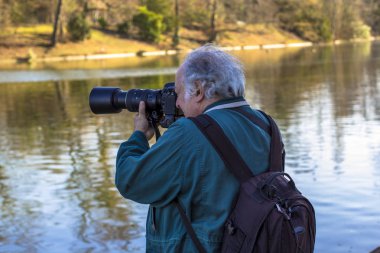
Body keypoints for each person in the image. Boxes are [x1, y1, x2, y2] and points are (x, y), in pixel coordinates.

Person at [115, 44, 271, 252]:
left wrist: (138, 137)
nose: (177, 104)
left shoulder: (189, 133)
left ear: (198, 90)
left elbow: (131, 182)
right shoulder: (265, 125)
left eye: (178, 93)